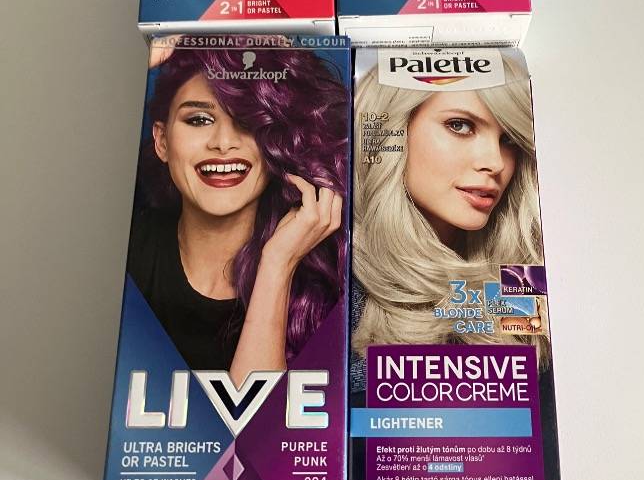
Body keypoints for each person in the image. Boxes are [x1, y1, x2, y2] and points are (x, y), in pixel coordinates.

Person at [127, 42, 347, 385]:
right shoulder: (124, 253)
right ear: (162, 141)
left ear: (277, 143)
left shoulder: (332, 285)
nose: (223, 142)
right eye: (199, 120)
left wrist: (277, 265)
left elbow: (257, 419)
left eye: (247, 122)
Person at [350, 49, 545, 386]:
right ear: (391, 130)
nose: (495, 162)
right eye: (460, 125)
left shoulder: (523, 273)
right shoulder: (335, 283)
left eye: (509, 139)